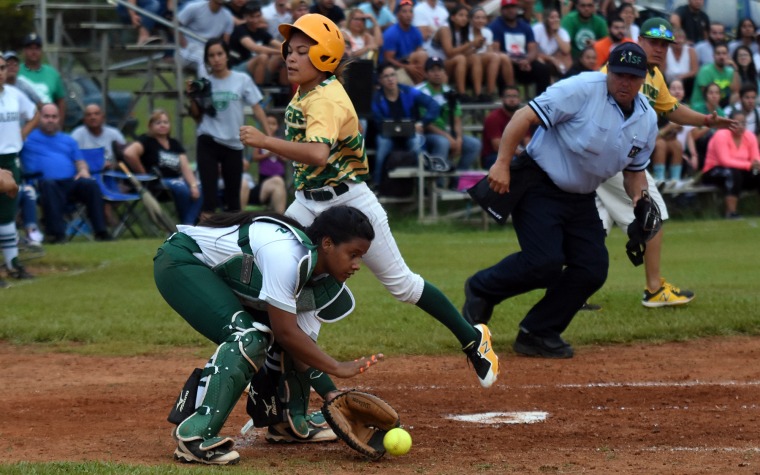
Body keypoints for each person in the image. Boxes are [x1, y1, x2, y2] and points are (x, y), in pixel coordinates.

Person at [240, 14, 498, 387]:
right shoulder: (308, 89)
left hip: (349, 204)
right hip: (308, 203)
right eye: (289, 51)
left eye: (302, 51)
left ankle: (474, 339)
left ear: (325, 57)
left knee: (402, 286)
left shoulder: (326, 96)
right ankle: (284, 394)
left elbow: (316, 155)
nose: (290, 58)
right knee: (288, 286)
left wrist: (265, 141)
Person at [462, 43, 657, 359]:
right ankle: (482, 289)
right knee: (544, 263)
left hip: (581, 198)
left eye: (633, 77)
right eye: (620, 74)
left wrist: (641, 198)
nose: (626, 82)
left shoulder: (646, 119)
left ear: (643, 78)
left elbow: (635, 171)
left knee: (592, 268)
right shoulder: (580, 89)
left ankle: (537, 332)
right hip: (540, 184)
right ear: (608, 70)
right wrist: (501, 163)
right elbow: (523, 116)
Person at [155, 205, 383, 464]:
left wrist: (332, 394)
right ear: (328, 244)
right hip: (182, 261)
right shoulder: (286, 255)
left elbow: (300, 344)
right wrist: (338, 367)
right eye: (352, 254)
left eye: (361, 257)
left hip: (221, 274)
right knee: (249, 338)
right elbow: (285, 332)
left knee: (291, 344)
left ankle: (288, 421)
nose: (357, 265)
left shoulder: (320, 278)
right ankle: (194, 436)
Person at [594, 18, 736, 309]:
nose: (659, 49)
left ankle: (571, 292)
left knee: (597, 225)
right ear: (640, 41)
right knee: (652, 214)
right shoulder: (619, 67)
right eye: (653, 42)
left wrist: (707, 120)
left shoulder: (653, 75)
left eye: (665, 45)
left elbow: (671, 109)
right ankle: (655, 289)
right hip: (612, 156)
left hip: (613, 158)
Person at [188, 37, 271, 218]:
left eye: (219, 54)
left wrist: (268, 134)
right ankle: (204, 242)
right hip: (208, 140)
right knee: (209, 199)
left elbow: (257, 107)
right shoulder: (205, 82)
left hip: (234, 142)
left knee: (233, 200)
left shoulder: (241, 79)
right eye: (211, 56)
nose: (216, 59)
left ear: (226, 56)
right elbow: (197, 116)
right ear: (207, 60)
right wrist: (192, 97)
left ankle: (233, 241)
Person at [20, 104, 111, 244]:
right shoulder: (27, 138)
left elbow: (80, 161)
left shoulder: (68, 140)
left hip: (70, 182)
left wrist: (83, 170)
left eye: (54, 117)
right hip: (42, 184)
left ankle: (101, 231)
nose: (50, 120)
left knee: (91, 184)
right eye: (46, 116)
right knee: (49, 184)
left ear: (59, 118)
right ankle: (56, 234)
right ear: (39, 119)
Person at [122, 109, 202, 225]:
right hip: (156, 182)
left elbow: (185, 166)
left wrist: (193, 185)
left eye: (165, 122)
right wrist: (143, 173)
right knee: (182, 188)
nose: (162, 125)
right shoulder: (146, 141)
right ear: (150, 126)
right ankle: (188, 226)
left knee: (201, 189)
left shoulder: (174, 143)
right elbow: (129, 153)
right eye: (158, 123)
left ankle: (188, 224)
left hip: (175, 180)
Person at [0, 54, 39, 287]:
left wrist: (21, 135)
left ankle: (13, 263)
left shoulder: (14, 95)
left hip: (11, 158)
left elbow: (34, 114)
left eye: (3, 67)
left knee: (7, 213)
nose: (1, 72)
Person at [371, 62, 437, 186]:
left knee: (417, 142)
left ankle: (423, 185)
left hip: (410, 132)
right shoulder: (376, 98)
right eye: (386, 76)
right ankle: (377, 183)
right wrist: (385, 128)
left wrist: (422, 123)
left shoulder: (409, 92)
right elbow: (377, 121)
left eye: (393, 75)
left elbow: (433, 105)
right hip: (387, 135)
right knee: (382, 144)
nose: (390, 79)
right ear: (380, 80)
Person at [416, 57, 481, 175]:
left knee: (474, 144)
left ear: (444, 72)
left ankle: (457, 181)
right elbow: (425, 123)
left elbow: (457, 119)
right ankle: (437, 184)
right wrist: (448, 137)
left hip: (445, 132)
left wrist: (459, 139)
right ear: (426, 73)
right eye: (433, 70)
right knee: (443, 142)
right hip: (426, 133)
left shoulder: (449, 92)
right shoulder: (420, 91)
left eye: (439, 70)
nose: (437, 73)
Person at [702, 109, 760, 218]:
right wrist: (749, 165)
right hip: (713, 171)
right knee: (732, 173)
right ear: (729, 123)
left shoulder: (750, 136)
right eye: (736, 123)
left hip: (740, 171)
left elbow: (755, 157)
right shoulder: (721, 135)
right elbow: (725, 161)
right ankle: (731, 212)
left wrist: (757, 164)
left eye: (743, 123)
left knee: (757, 174)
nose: (740, 126)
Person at [488, 0, 551, 96]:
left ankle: (541, 101)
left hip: (524, 62)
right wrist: (515, 61)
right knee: (501, 70)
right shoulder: (495, 26)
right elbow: (496, 51)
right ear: (501, 10)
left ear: (517, 9)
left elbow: (533, 49)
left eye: (513, 7)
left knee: (543, 69)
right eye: (507, 8)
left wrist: (527, 60)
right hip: (507, 63)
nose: (510, 11)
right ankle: (505, 100)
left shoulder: (525, 26)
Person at [228, 0, 285, 87]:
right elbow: (254, 47)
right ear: (245, 17)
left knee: (284, 55)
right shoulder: (240, 30)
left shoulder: (261, 31)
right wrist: (280, 51)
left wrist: (289, 51)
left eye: (258, 16)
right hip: (238, 69)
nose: (255, 20)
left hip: (257, 69)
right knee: (263, 56)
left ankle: (285, 90)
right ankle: (259, 90)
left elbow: (279, 45)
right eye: (252, 17)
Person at [18, 33, 66, 126]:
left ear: (41, 51)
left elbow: (61, 101)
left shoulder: (52, 73)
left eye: (37, 48)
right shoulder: (16, 71)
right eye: (30, 48)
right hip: (22, 124)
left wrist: (59, 125)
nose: (33, 52)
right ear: (24, 51)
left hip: (47, 125)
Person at [177, 0, 235, 76]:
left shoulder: (228, 16)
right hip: (186, 50)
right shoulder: (194, 7)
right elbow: (175, 24)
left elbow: (225, 42)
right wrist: (184, 43)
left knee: (218, 59)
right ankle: (207, 87)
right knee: (204, 58)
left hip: (209, 50)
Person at [380, 0, 428, 85]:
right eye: (404, 11)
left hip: (409, 62)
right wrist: (406, 67)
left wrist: (411, 67)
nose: (408, 15)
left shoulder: (416, 31)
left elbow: (419, 52)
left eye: (410, 11)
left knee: (422, 55)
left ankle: (419, 88)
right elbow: (388, 60)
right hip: (393, 67)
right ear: (398, 15)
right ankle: (416, 90)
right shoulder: (391, 33)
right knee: (407, 85)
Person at [481, 85, 527, 169]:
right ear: (502, 99)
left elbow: (527, 140)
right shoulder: (493, 118)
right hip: (494, 156)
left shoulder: (523, 117)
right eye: (508, 96)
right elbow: (497, 146)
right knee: (514, 162)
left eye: (515, 96)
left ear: (519, 99)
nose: (512, 100)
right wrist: (521, 154)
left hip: (517, 153)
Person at [71, 104, 127, 170]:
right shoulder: (77, 135)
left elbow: (125, 156)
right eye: (89, 115)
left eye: (96, 114)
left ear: (103, 117)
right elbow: (71, 159)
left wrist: (114, 165)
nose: (93, 117)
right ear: (84, 119)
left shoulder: (114, 134)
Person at [690, 42, 739, 111]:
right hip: (702, 106)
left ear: (728, 56)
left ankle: (728, 113)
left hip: (720, 104)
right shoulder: (705, 70)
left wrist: (735, 69)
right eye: (718, 54)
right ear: (713, 56)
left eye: (724, 53)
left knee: (736, 95)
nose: (721, 56)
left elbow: (735, 91)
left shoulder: (730, 71)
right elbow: (707, 95)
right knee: (713, 95)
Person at [532, 7, 571, 80]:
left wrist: (555, 33)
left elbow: (566, 50)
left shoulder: (562, 32)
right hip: (538, 58)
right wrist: (551, 59)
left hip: (553, 57)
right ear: (546, 19)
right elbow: (533, 51)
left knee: (567, 57)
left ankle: (566, 80)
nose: (555, 20)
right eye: (552, 17)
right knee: (541, 61)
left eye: (557, 17)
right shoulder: (538, 29)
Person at [664, 28, 699, 100]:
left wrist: (681, 77)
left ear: (685, 40)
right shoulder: (666, 51)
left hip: (686, 83)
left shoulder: (690, 51)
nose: (678, 40)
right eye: (675, 38)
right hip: (668, 82)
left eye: (680, 38)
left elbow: (695, 70)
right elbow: (661, 69)